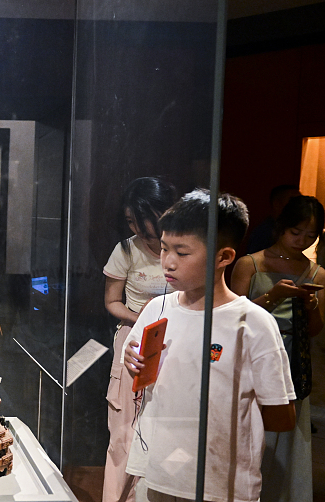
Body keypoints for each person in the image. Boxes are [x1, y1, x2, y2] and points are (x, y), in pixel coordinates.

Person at [123, 189, 296, 502]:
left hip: (220, 484)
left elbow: (281, 415)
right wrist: (131, 360)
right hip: (158, 472)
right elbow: (141, 369)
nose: (168, 262)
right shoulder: (155, 308)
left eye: (182, 252)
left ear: (224, 257)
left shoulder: (253, 323)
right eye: (164, 249)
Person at [230, 194, 325, 502]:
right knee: (250, 429)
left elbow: (314, 330)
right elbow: (232, 318)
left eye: (310, 236)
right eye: (295, 232)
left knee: (288, 435)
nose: (301, 241)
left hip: (293, 360)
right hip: (252, 357)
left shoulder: (316, 274)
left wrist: (310, 306)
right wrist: (273, 297)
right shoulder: (249, 264)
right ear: (281, 227)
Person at [102, 177, 176, 502]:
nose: (136, 228)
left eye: (141, 221)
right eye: (130, 220)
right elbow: (111, 302)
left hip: (176, 343)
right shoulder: (126, 250)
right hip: (134, 341)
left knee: (168, 424)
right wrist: (145, 316)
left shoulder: (180, 247)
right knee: (124, 430)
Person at [245, 184, 299, 254]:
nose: (298, 205)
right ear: (277, 203)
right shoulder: (263, 233)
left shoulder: (293, 229)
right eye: (292, 200)